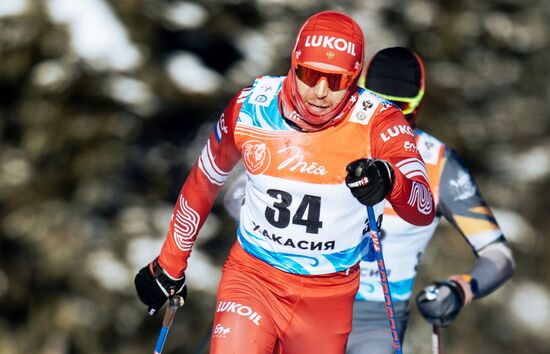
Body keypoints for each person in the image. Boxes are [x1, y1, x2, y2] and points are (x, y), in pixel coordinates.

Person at [134, 12, 436, 354]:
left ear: (354, 80)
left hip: (327, 297)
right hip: (253, 278)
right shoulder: (251, 107)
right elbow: (204, 182)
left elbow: (422, 206)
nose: (320, 92)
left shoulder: (378, 121)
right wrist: (170, 264)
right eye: (311, 75)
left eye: (336, 81)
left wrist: (390, 180)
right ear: (294, 64)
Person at [343, 47, 515, 353]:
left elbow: (498, 253)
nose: (387, 118)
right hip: (306, 299)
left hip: (376, 320)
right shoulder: (328, 140)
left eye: (400, 108)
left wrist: (459, 289)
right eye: (376, 104)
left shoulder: (438, 164)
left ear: (418, 107)